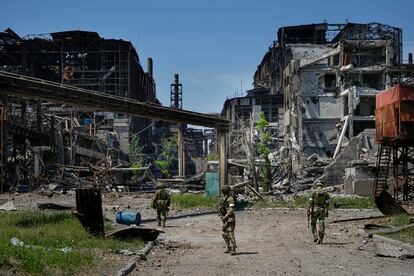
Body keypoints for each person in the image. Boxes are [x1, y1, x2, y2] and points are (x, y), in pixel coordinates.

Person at [219, 185, 237, 255]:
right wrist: (221, 216)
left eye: (224, 190)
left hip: (230, 218)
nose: (223, 191)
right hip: (224, 218)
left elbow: (231, 209)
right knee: (224, 234)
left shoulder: (230, 199)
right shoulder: (223, 198)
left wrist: (225, 216)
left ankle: (233, 249)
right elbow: (220, 208)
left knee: (231, 234)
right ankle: (228, 247)